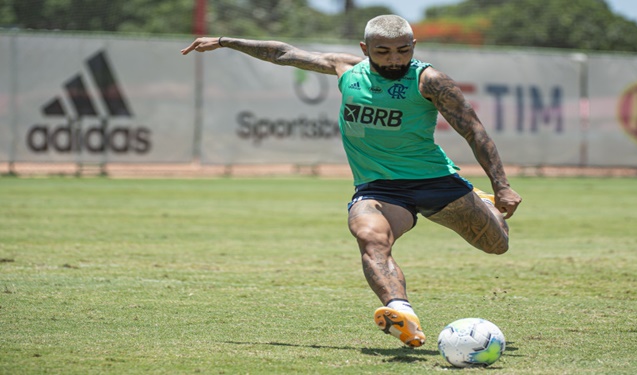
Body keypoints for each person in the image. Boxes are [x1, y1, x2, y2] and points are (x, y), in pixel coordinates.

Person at [181, 14, 522, 348]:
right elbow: (283, 53)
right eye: (383, 52)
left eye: (403, 50)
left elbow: (473, 129)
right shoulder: (346, 69)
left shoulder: (430, 81)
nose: (395, 59)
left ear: (414, 45)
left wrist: (501, 185)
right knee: (369, 236)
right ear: (364, 48)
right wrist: (226, 41)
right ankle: (402, 314)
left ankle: (482, 202)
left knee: (497, 244)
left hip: (434, 179)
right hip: (379, 187)